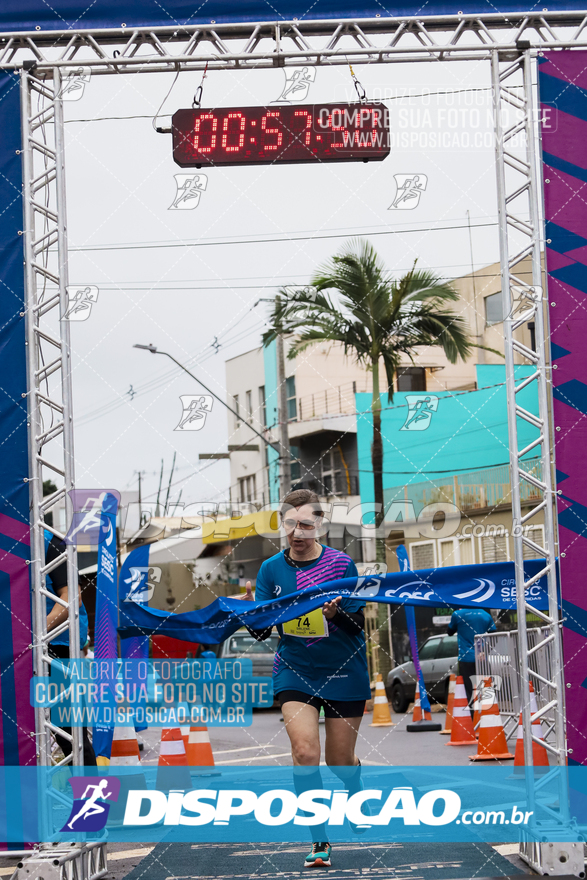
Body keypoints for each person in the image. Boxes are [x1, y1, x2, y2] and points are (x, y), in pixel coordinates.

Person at [241, 489, 370, 869]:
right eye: (291, 524)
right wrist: (255, 615)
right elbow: (262, 632)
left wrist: (335, 615)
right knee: (305, 753)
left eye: (306, 524)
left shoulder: (341, 564)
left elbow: (358, 624)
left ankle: (353, 784)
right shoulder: (270, 570)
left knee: (338, 760)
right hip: (295, 667)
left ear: (319, 526)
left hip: (343, 668)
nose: (298, 533)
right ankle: (319, 841)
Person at [45, 529, 96, 766]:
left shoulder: (49, 542)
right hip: (13, 650)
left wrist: (32, 633)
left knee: (71, 735)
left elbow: (70, 597)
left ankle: (91, 801)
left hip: (56, 647)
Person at [447, 607, 496, 712]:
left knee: (469, 690)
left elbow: (449, 632)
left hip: (466, 659)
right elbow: (494, 635)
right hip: (482, 658)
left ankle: (474, 719)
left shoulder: (457, 614)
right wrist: (486, 651)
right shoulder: (485, 614)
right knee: (485, 688)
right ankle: (487, 716)